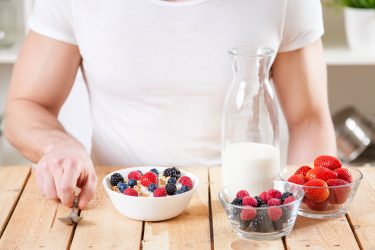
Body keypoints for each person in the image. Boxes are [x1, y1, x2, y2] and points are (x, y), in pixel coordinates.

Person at [3, 0, 336, 209]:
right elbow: (26, 106)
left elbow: (308, 119)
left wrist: (303, 208)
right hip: (115, 205)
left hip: (241, 206)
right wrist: (60, 147)